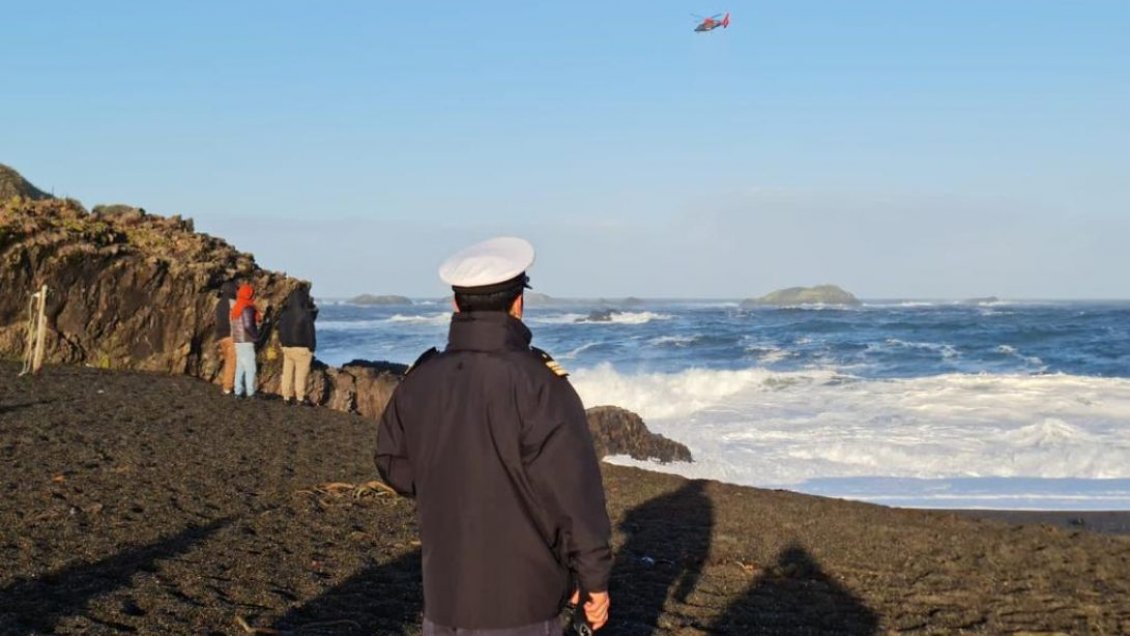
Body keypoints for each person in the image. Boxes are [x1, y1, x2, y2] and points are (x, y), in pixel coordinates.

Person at [376, 237, 613, 636]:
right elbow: (575, 494)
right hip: (524, 604)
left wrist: (450, 480)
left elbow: (392, 463)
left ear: (456, 304)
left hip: (444, 597)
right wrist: (594, 581)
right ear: (518, 303)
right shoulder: (541, 384)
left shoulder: (420, 381)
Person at [277, 285, 318, 405]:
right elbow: (311, 333)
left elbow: (281, 330)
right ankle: (300, 398)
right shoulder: (305, 314)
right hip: (302, 349)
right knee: (300, 374)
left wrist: (282, 343)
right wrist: (312, 348)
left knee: (287, 373)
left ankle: (286, 396)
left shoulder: (284, 314)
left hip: (287, 347)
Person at [230, 283, 261, 398]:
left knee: (240, 366)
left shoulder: (237, 306)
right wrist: (256, 336)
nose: (253, 295)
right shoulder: (247, 307)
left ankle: (238, 390)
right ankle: (250, 392)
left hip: (238, 339)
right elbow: (248, 325)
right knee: (251, 367)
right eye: (252, 293)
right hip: (246, 340)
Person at [214, 281, 239, 395]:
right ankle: (227, 388)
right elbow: (235, 319)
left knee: (226, 360)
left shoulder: (219, 304)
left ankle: (225, 383)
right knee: (232, 362)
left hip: (221, 336)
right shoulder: (233, 303)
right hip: (231, 335)